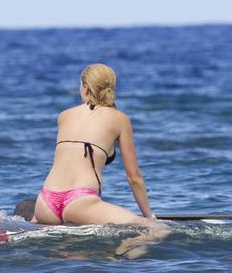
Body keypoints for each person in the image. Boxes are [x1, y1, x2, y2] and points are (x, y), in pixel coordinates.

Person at [33, 64, 159, 225]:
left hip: (45, 202)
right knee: (156, 230)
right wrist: (148, 216)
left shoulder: (64, 116)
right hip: (79, 202)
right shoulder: (120, 119)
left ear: (85, 87)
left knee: (71, 250)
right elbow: (134, 178)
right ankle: (122, 251)